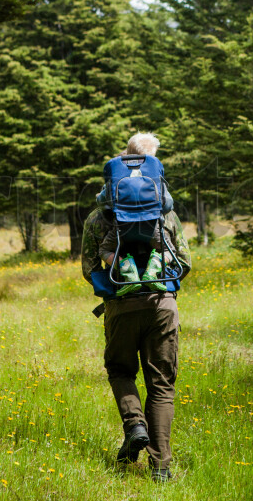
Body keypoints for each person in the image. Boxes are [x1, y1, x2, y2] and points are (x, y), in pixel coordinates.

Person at [81, 205, 191, 483]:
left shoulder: (99, 216)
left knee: (120, 371)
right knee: (161, 384)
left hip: (121, 305)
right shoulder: (164, 212)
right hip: (162, 304)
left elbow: (89, 268)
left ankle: (135, 426)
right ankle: (161, 468)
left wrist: (119, 278)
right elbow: (185, 262)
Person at [97, 133, 174, 295]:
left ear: (128, 150)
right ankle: (153, 268)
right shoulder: (153, 172)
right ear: (152, 155)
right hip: (151, 228)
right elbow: (168, 205)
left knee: (104, 250)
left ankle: (128, 270)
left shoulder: (117, 172)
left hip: (122, 230)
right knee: (169, 251)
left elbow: (103, 202)